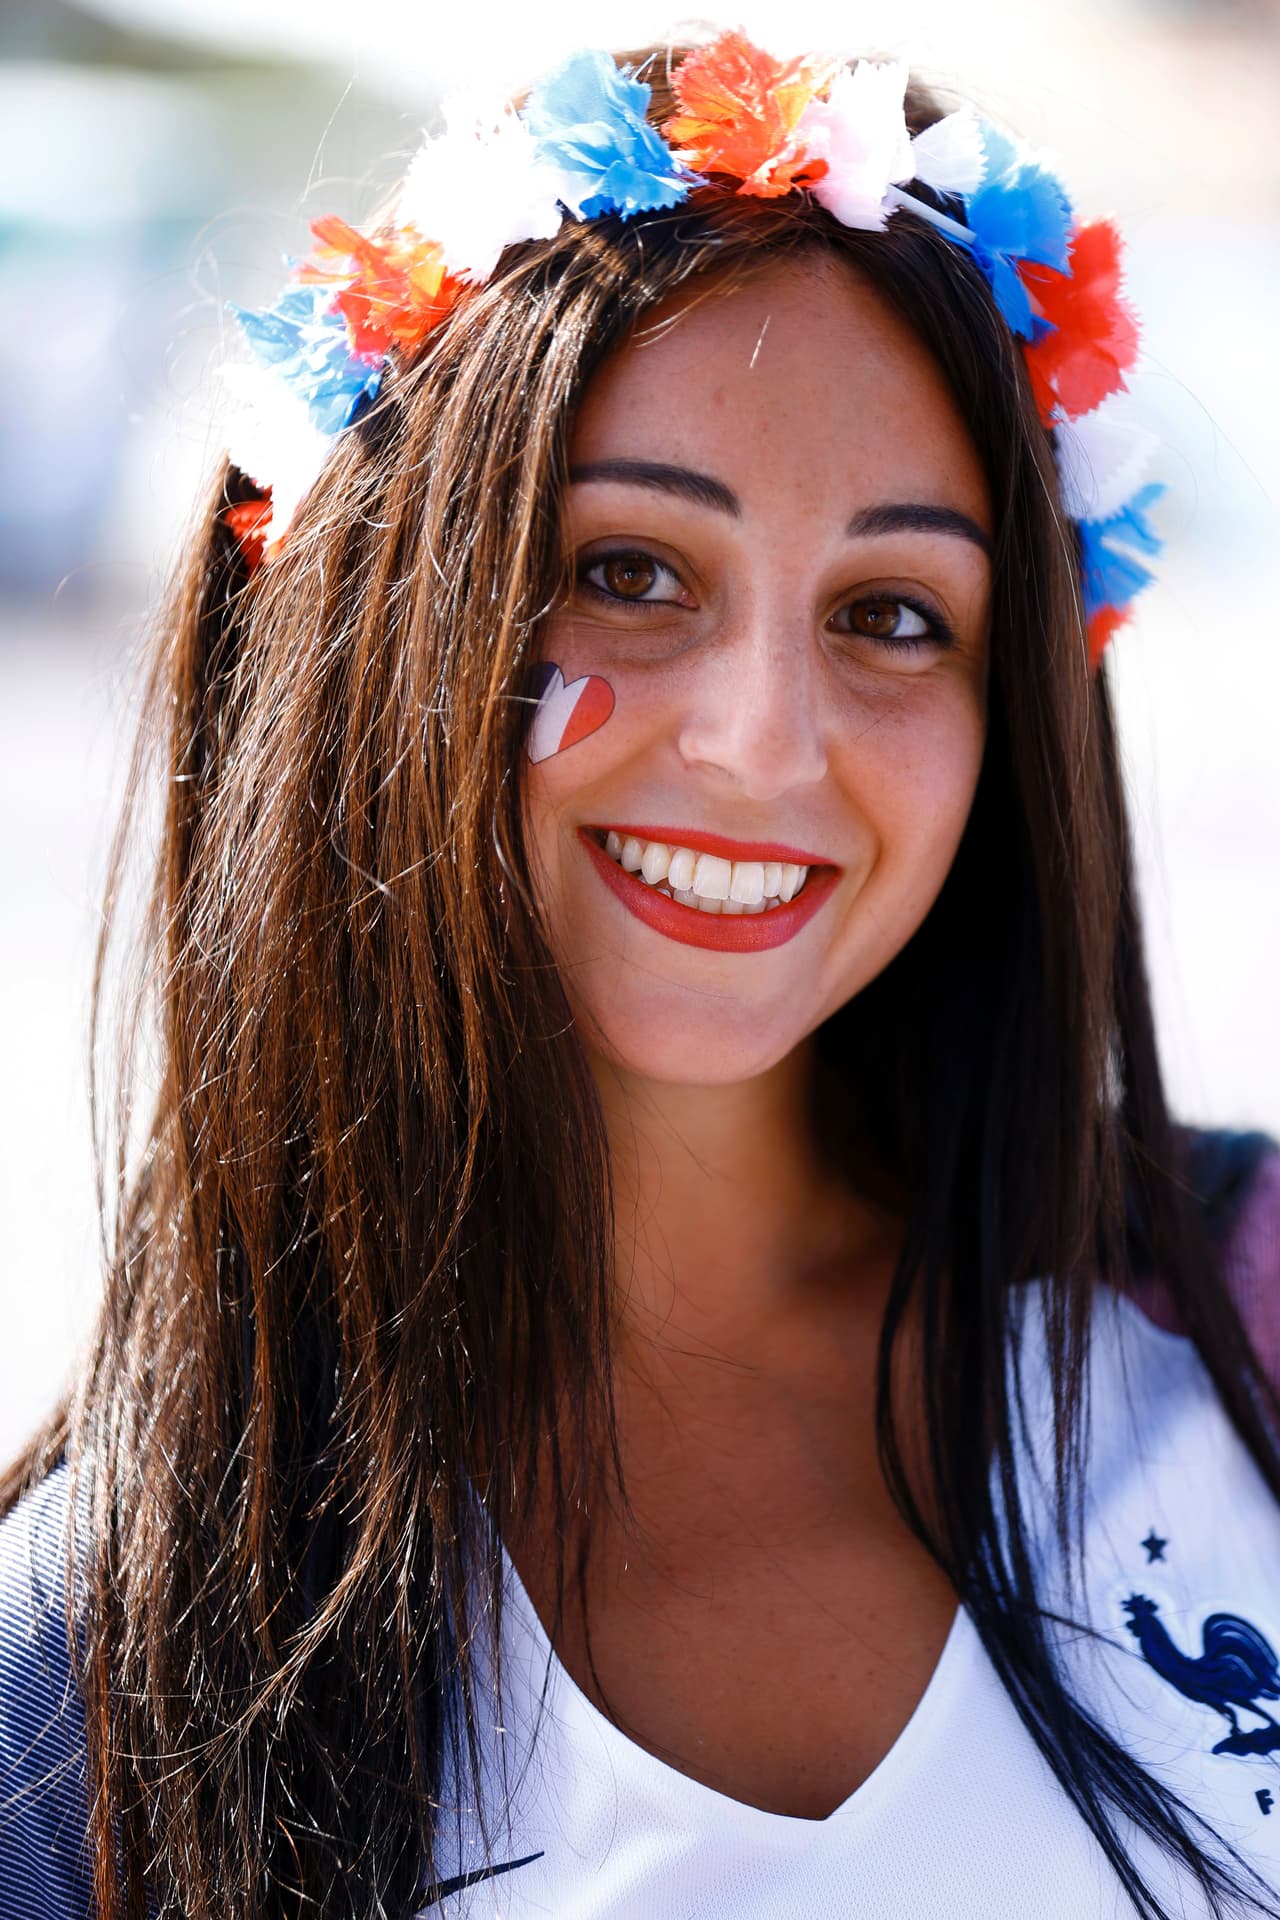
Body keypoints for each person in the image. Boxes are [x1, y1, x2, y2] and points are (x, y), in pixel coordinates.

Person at [2, 29, 1279, 1920]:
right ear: (384, 610)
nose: (764, 745)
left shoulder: (1245, 1310)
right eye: (630, 572)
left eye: (895, 615)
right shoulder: (88, 1689)